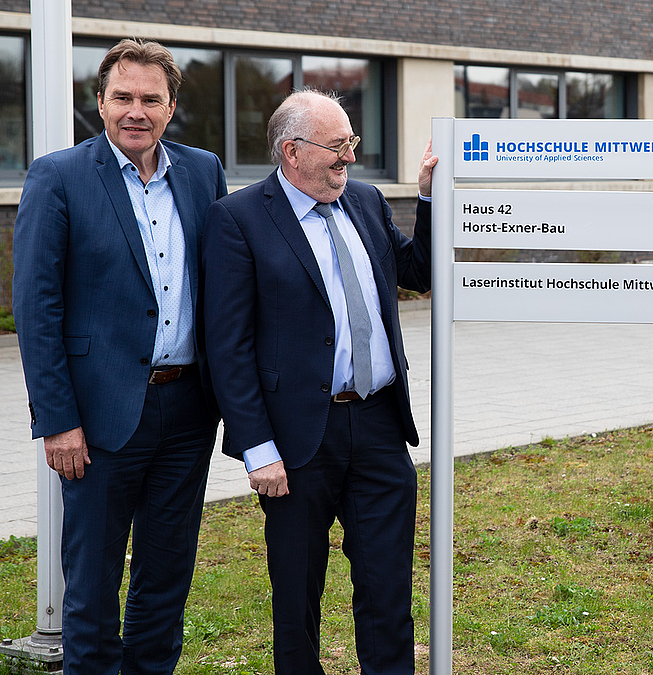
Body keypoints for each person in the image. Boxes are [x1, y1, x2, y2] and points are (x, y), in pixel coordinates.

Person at [200, 89, 435, 675]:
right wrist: (256, 447)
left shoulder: (366, 201)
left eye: (352, 143)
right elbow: (228, 347)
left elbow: (420, 273)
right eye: (338, 147)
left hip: (380, 427)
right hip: (296, 440)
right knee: (297, 598)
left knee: (388, 593)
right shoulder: (239, 219)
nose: (349, 158)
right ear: (292, 152)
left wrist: (429, 197)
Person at [12, 39, 227, 673]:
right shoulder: (59, 176)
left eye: (151, 99)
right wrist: (57, 420)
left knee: (165, 580)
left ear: (171, 106)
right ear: (100, 103)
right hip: (96, 418)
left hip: (188, 410)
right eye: (123, 97)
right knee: (92, 591)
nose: (137, 110)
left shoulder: (203, 171)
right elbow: (37, 307)